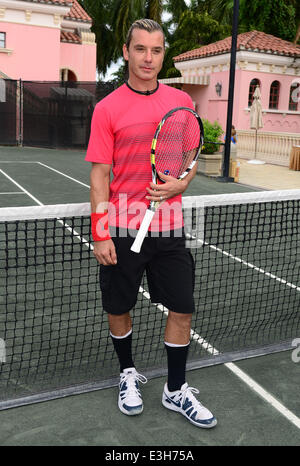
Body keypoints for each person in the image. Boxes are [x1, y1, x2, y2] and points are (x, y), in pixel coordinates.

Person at [85, 19, 217, 429]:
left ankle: (175, 390)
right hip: (123, 228)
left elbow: (187, 162)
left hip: (171, 227)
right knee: (119, 308)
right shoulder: (107, 108)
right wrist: (101, 231)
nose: (148, 58)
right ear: (126, 52)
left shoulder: (181, 102)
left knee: (181, 307)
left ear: (164, 55)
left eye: (156, 50)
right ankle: (128, 374)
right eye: (140, 49)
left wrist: (182, 182)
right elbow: (99, 176)